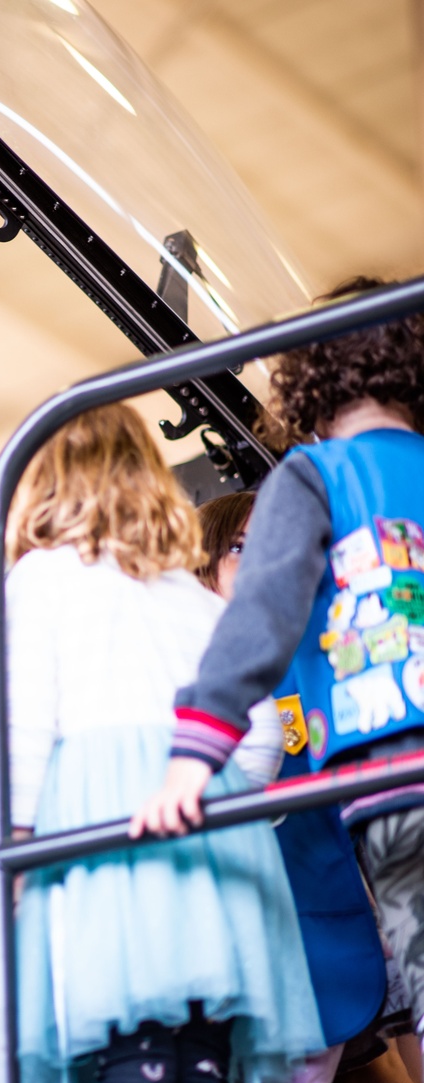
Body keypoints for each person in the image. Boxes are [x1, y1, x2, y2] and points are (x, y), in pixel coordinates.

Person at [6, 403, 323, 1083]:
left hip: (105, 822)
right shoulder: (194, 597)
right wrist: (219, 793)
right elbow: (252, 734)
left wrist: (14, 846)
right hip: (207, 824)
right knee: (201, 1061)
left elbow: (23, 725)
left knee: (134, 1050)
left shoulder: (42, 577)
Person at [134, 277, 424, 1043]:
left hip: (389, 774)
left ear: (309, 379)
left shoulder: (312, 476)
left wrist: (194, 757)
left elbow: (257, 620)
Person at [197, 491, 385, 1083]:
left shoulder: (327, 657)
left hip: (320, 919)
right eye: (241, 545)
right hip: (215, 923)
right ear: (204, 562)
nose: (262, 561)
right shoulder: (181, 659)